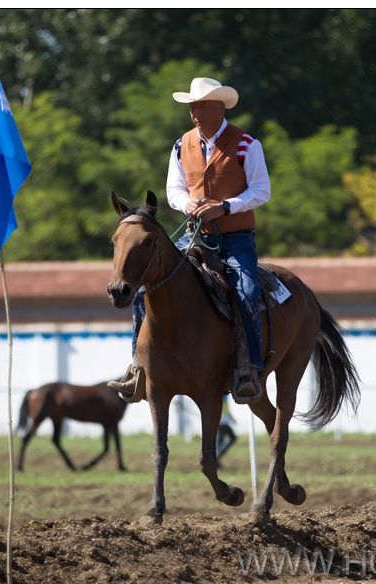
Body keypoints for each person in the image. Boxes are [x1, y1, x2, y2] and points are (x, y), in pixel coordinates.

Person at [109, 77, 271, 403]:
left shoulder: (246, 144)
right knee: (147, 284)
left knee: (247, 290)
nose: (194, 113)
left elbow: (261, 191)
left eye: (201, 107)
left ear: (219, 108)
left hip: (236, 239)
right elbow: (174, 191)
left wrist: (225, 207)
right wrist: (189, 204)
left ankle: (248, 367)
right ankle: (138, 368)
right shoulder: (182, 145)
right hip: (195, 236)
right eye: (191, 108)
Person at [216, 396, 238, 465]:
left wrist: (231, 417)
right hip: (222, 422)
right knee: (233, 438)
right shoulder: (222, 395)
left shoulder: (224, 396)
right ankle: (217, 456)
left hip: (220, 422)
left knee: (219, 442)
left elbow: (225, 408)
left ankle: (216, 461)